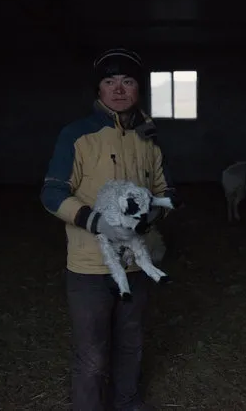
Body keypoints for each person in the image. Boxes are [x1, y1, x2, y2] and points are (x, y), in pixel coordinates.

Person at [40, 48, 176, 411]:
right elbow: (52, 192)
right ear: (98, 90)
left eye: (128, 81)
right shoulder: (77, 135)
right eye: (109, 81)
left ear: (138, 90)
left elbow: (164, 189)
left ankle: (128, 402)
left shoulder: (148, 138)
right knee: (93, 354)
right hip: (90, 266)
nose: (119, 89)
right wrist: (97, 222)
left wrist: (151, 218)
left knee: (131, 342)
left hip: (135, 263)